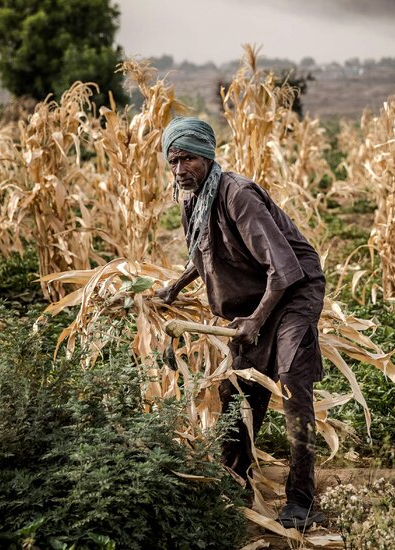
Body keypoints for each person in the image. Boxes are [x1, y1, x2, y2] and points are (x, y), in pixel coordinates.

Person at [154, 116, 326, 530]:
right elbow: (204, 252)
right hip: (253, 299)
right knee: (237, 391)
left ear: (208, 157)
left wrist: (256, 320)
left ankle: (301, 500)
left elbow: (283, 269)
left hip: (293, 292)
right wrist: (175, 288)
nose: (180, 171)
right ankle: (236, 485)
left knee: (289, 381)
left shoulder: (237, 195)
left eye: (188, 160)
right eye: (173, 162)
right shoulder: (192, 199)